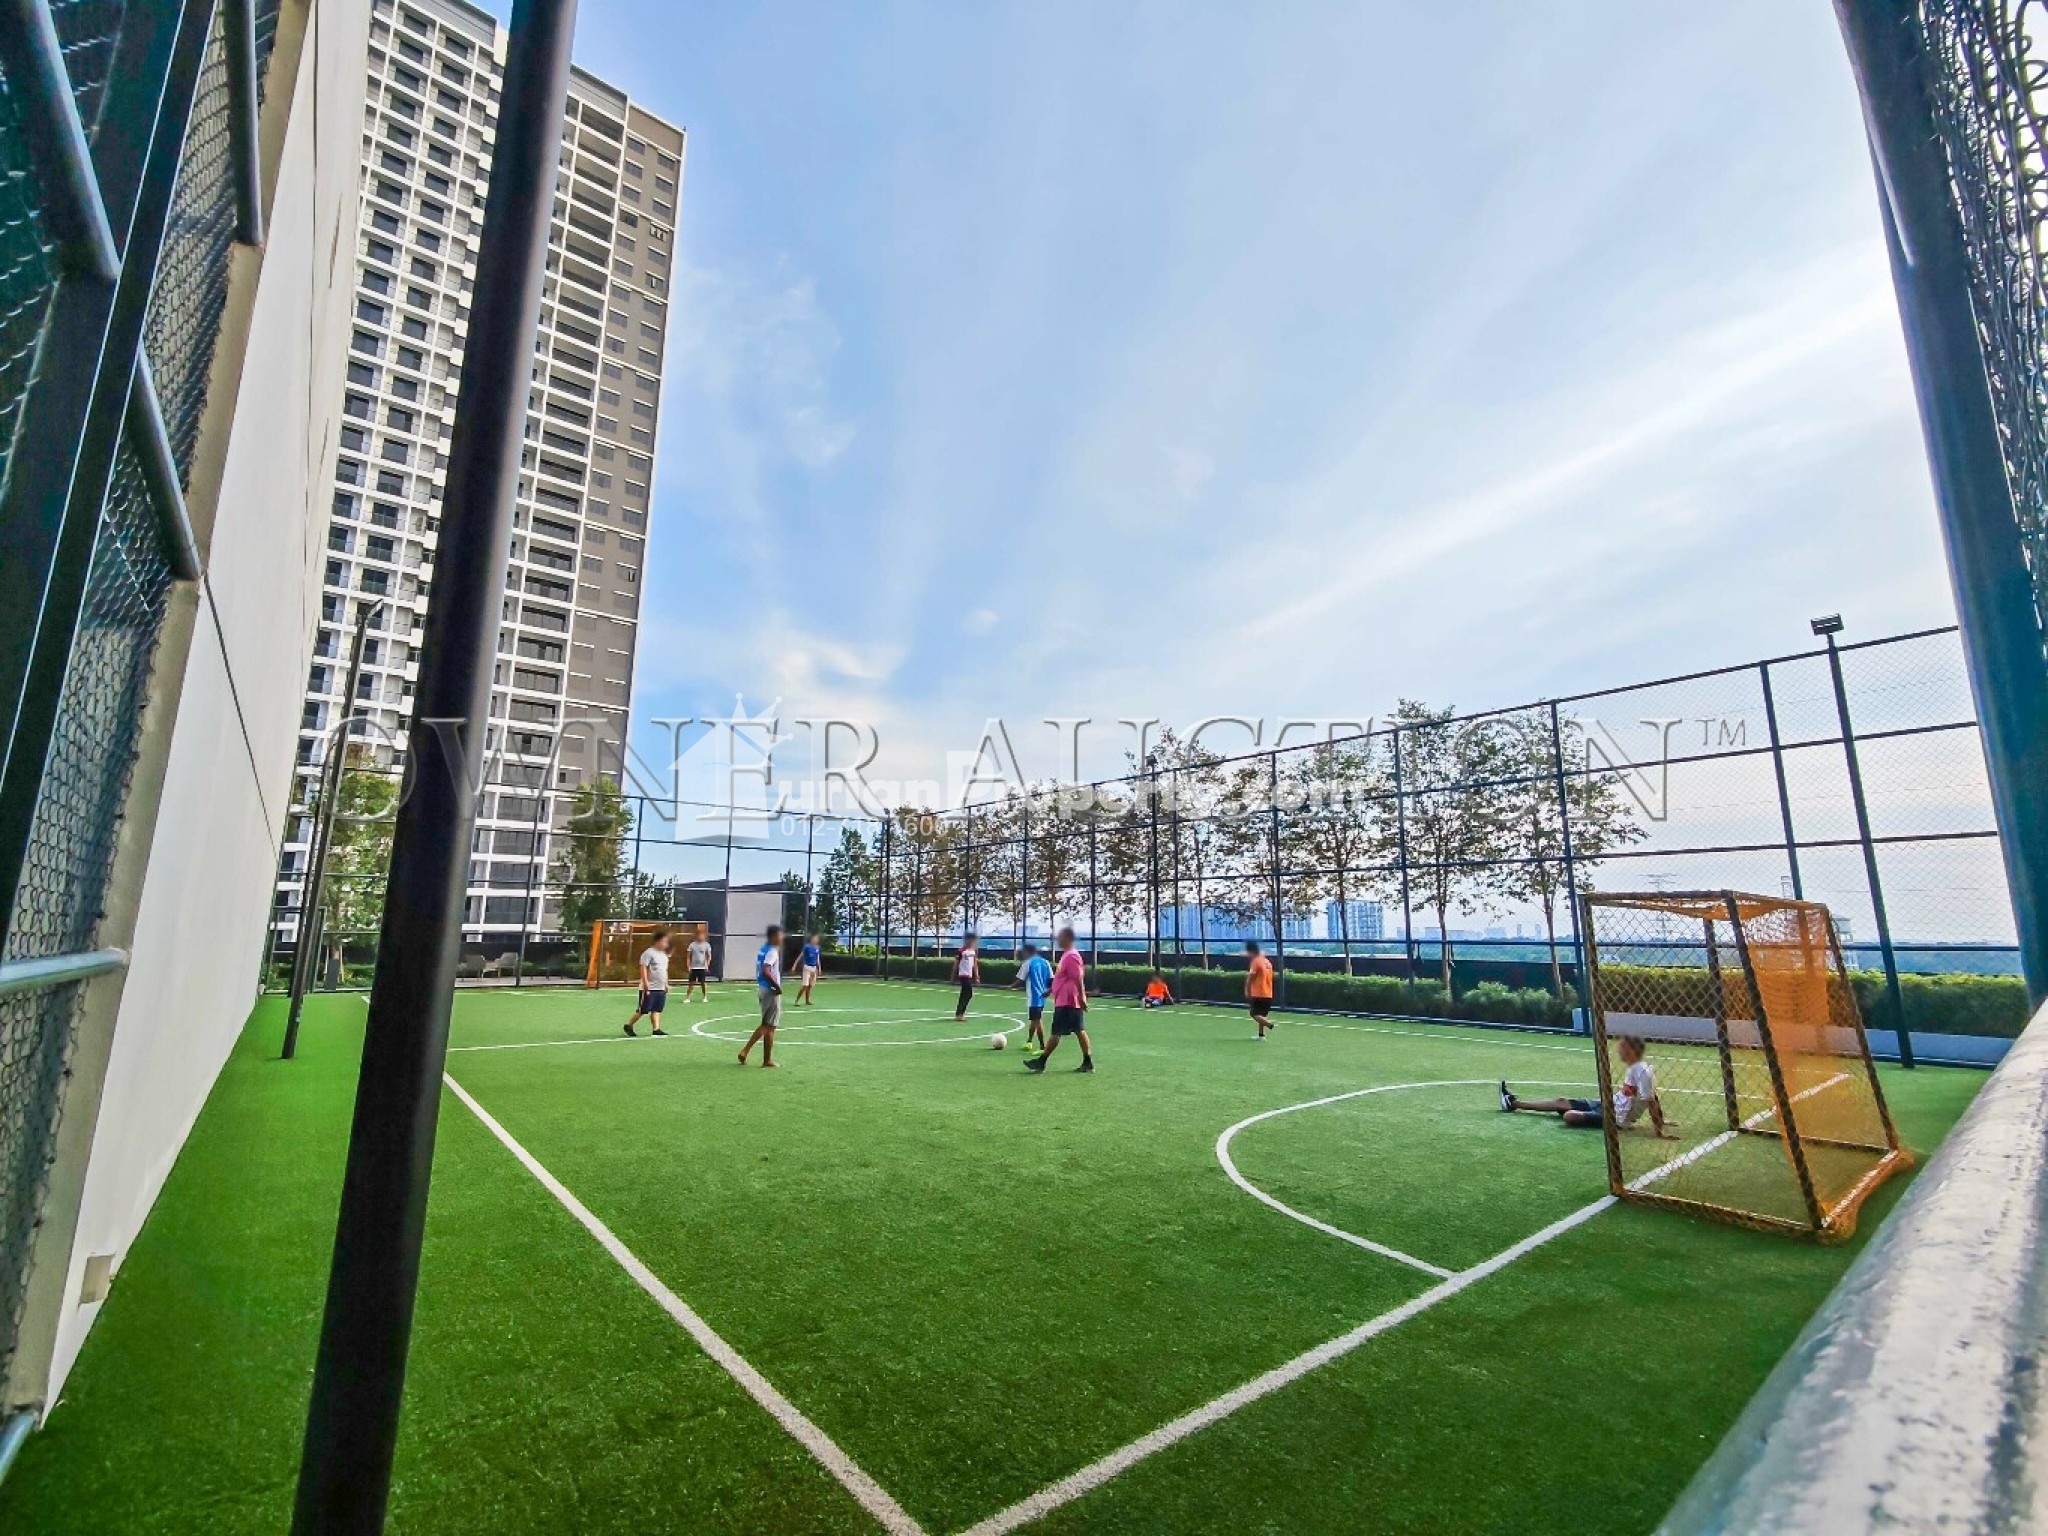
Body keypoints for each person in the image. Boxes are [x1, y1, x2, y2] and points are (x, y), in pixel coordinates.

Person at [1501, 1036, 1676, 1137]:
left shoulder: (1643, 1072)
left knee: (1570, 1116)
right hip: (1607, 1104)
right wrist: (1662, 1120)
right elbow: (1651, 1096)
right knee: (1561, 1101)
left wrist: (1659, 1130)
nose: (1619, 1051)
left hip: (1616, 1118)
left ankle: (1515, 1103)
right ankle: (1513, 1103)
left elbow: (1651, 1100)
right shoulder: (1634, 1068)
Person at [1026, 927, 1093, 1074]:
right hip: (1066, 1000)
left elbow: (1078, 977)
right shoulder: (1066, 955)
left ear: (1067, 938)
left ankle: (1041, 1062)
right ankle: (1088, 1062)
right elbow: (1062, 978)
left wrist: (1081, 997)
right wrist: (1051, 990)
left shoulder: (1072, 956)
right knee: (1079, 1030)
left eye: (1060, 937)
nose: (1058, 939)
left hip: (1068, 1001)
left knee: (1057, 1032)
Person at [738, 923, 784, 1067]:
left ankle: (767, 1060)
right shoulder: (772, 951)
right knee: (768, 1025)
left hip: (763, 988)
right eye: (780, 935)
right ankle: (745, 1050)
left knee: (770, 1026)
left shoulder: (763, 949)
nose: (782, 937)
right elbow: (766, 970)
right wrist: (777, 986)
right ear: (773, 936)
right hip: (770, 990)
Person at [624, 930, 672, 1037]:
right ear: (658, 941)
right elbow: (643, 968)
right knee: (643, 1010)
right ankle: (629, 1025)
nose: (666, 944)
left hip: (660, 988)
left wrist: (666, 984)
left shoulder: (664, 955)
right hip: (650, 988)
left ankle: (656, 1029)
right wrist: (646, 983)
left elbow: (664, 971)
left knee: (657, 1009)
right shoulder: (648, 953)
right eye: (664, 941)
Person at [1014, 942, 1054, 1050]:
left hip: (1034, 997)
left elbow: (1020, 979)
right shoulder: (1045, 962)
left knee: (1037, 1021)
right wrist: (1049, 991)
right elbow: (1052, 979)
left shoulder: (1028, 963)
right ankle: (1029, 1041)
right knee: (1034, 1019)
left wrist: (1010, 986)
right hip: (1043, 996)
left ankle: (1042, 1047)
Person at [1244, 940, 1275, 1037]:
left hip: (1258, 993)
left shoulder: (1256, 961)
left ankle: (1269, 1024)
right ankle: (1261, 1035)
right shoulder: (1267, 962)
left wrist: (1247, 990)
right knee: (1262, 1015)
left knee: (1254, 1013)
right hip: (1268, 993)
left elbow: (1250, 977)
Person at [953, 932, 981, 1022]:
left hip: (969, 975)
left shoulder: (973, 951)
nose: (972, 942)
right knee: (968, 993)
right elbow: (956, 964)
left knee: (965, 994)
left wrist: (977, 977)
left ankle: (959, 1013)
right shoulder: (961, 951)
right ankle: (960, 1014)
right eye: (971, 940)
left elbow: (975, 964)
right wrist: (953, 977)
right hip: (963, 975)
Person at [683, 924, 713, 1003]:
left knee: (703, 983)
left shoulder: (707, 945)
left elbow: (709, 956)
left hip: (702, 967)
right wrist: (688, 966)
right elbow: (688, 957)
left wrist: (707, 965)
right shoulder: (692, 945)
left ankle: (705, 997)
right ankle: (687, 998)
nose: (700, 937)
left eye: (702, 935)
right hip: (694, 967)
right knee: (691, 983)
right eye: (699, 935)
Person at [796, 932, 823, 1006]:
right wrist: (794, 965)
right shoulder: (807, 947)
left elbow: (817, 958)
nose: (816, 940)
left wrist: (819, 968)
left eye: (817, 939)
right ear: (811, 939)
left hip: (814, 969)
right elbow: (800, 955)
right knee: (805, 985)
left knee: (810, 986)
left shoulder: (817, 948)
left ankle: (807, 1000)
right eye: (814, 938)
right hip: (807, 967)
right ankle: (797, 1000)